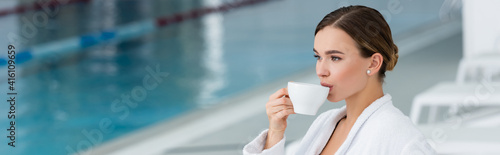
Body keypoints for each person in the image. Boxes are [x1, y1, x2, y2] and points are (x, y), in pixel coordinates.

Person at [243, 5, 436, 155]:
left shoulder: (400, 137)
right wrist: (276, 132)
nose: (321, 70)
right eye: (318, 57)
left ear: (373, 63)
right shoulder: (325, 122)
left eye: (335, 58)